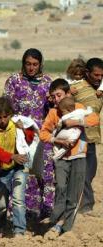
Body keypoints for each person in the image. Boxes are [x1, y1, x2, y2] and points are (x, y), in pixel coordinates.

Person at [40, 79, 98, 236]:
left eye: (59, 95)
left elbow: (94, 119)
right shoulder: (53, 113)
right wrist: (57, 140)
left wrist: (72, 122)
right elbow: (43, 133)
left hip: (79, 156)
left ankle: (64, 229)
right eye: (53, 97)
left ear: (67, 93)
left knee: (74, 194)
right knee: (60, 188)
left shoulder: (79, 108)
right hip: (61, 158)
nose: (57, 99)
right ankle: (56, 221)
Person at [3, 48, 54, 218]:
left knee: (43, 173)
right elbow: (5, 107)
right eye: (28, 64)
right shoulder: (13, 81)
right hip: (20, 135)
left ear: (40, 64)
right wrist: (14, 122)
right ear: (23, 64)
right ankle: (16, 214)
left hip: (42, 136)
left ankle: (42, 213)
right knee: (21, 173)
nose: (31, 68)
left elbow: (54, 108)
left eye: (35, 64)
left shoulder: (48, 82)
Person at [0, 97, 30, 237]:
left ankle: (19, 231)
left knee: (18, 199)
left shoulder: (15, 124)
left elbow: (28, 140)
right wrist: (11, 156)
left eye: (6, 116)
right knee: (1, 203)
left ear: (10, 114)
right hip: (3, 168)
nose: (3, 120)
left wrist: (25, 129)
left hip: (20, 165)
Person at [70, 58, 103, 214]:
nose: (99, 78)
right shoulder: (75, 88)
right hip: (77, 139)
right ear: (87, 73)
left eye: (101, 75)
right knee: (82, 174)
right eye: (95, 75)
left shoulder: (101, 89)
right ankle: (85, 206)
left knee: (90, 173)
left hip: (93, 138)